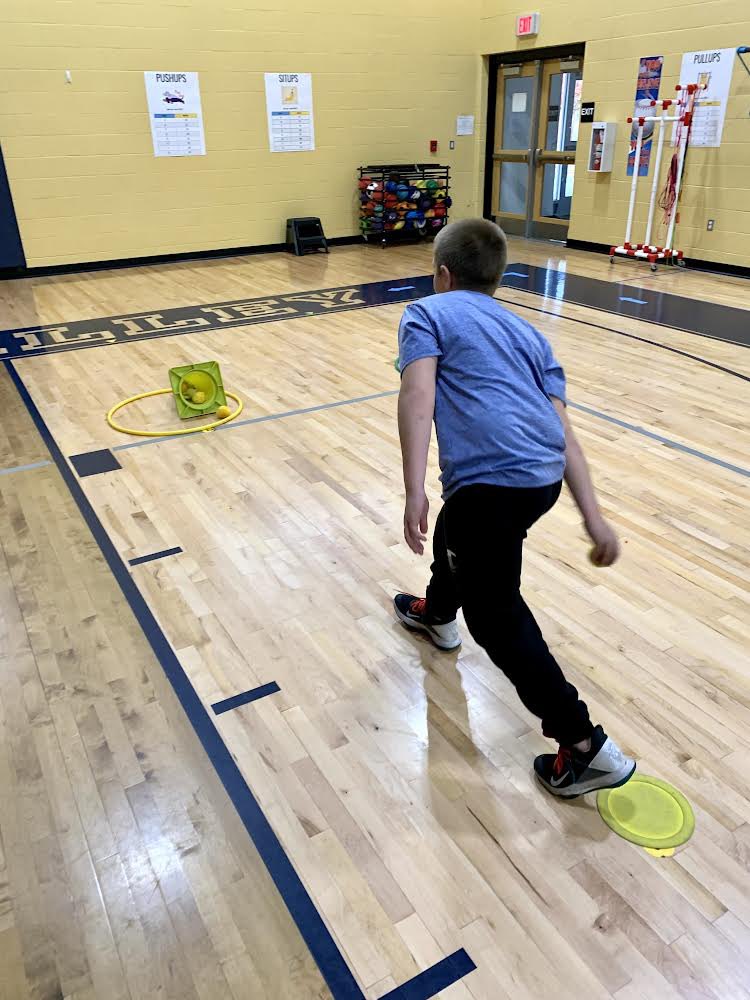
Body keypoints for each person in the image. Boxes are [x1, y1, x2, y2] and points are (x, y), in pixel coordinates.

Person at [394, 218, 635, 798]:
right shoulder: (530, 335)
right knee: (463, 530)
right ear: (498, 281)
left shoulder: (426, 312)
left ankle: (584, 747)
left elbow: (417, 394)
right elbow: (566, 434)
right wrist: (593, 517)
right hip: (542, 480)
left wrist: (412, 489)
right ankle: (435, 612)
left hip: (490, 485)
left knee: (496, 614)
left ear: (442, 274)